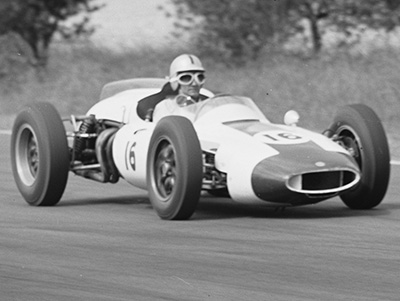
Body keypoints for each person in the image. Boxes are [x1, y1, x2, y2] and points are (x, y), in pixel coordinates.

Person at [152, 54, 210, 122]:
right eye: (186, 78)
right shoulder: (166, 107)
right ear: (176, 81)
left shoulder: (210, 107)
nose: (194, 84)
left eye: (199, 78)